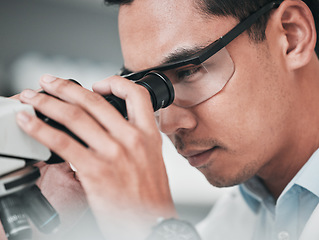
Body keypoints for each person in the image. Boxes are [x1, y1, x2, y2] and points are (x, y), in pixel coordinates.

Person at [6, 0, 319, 239]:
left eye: (188, 71)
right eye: (148, 90)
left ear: (291, 36)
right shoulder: (233, 222)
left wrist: (150, 223)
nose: (167, 124)